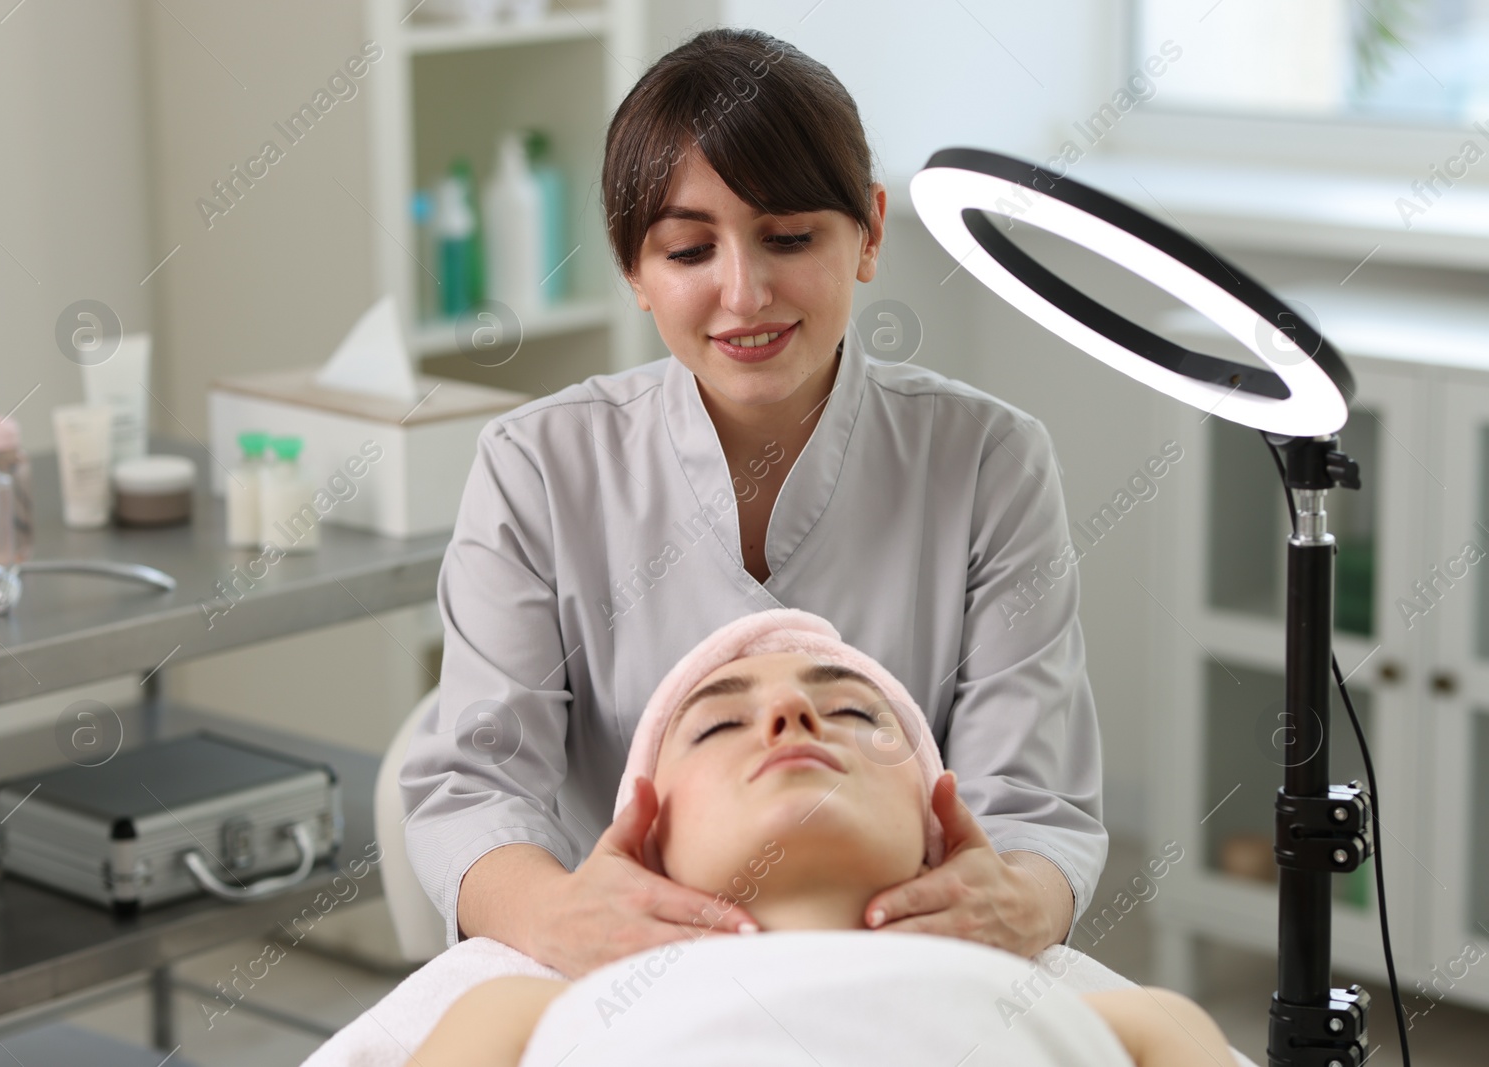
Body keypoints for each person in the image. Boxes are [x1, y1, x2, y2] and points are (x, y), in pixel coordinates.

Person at [398, 25, 1107, 981]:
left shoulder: (989, 462)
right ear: (633, 273)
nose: (745, 293)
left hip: (917, 971)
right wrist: (562, 916)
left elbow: (1031, 802)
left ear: (871, 231)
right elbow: (474, 784)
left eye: (788, 237)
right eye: (689, 250)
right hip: (621, 981)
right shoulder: (538, 466)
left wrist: (1010, 902)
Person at [405, 611, 1232, 1067]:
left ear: (936, 826)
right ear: (647, 844)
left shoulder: (1140, 1025)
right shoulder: (527, 1013)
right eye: (723, 721)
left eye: (851, 713)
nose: (789, 715)